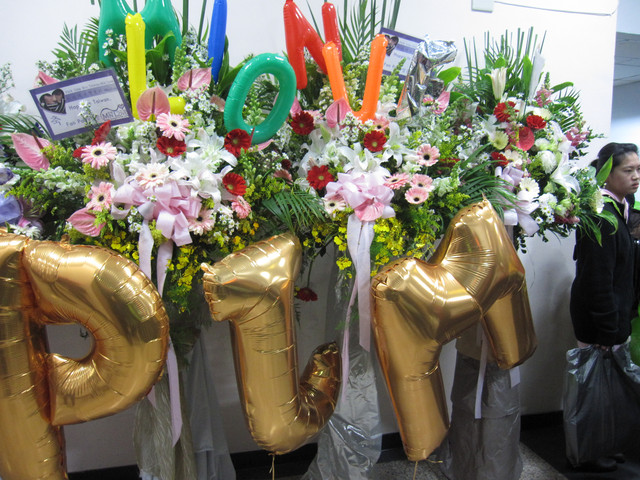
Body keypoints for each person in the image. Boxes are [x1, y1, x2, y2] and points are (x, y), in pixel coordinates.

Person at [567, 141, 640, 472]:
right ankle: (588, 451)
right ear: (607, 174)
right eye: (628, 170)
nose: (636, 176)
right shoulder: (601, 215)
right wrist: (608, 330)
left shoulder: (622, 208)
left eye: (638, 170)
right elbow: (597, 280)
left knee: (608, 389)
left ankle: (605, 444)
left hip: (614, 317)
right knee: (593, 390)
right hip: (598, 320)